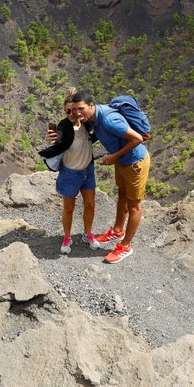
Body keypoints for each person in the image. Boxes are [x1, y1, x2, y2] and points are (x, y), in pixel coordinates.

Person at [62, 90, 150, 264]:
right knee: (122, 195)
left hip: (135, 162)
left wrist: (114, 157)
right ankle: (118, 230)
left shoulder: (109, 120)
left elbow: (137, 139)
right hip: (123, 162)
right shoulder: (92, 118)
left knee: (134, 205)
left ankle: (125, 246)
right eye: (75, 110)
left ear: (92, 105)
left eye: (81, 109)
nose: (78, 113)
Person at [38, 88, 100, 254]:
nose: (73, 114)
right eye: (68, 111)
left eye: (75, 110)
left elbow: (89, 106)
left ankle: (87, 234)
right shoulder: (64, 126)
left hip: (87, 170)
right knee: (68, 208)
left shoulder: (86, 122)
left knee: (90, 204)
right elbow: (59, 136)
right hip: (70, 173)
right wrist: (52, 139)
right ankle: (67, 236)